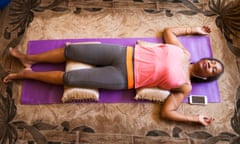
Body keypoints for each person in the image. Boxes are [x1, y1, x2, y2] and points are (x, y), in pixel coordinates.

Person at [3, 26, 224, 126]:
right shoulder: (184, 51)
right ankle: (30, 60)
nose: (211, 65)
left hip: (122, 77)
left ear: (206, 78)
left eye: (213, 70)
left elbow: (168, 112)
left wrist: (194, 119)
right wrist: (192, 29)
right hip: (122, 52)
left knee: (70, 79)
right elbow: (169, 31)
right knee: (73, 51)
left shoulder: (185, 86)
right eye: (213, 62)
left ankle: (26, 76)